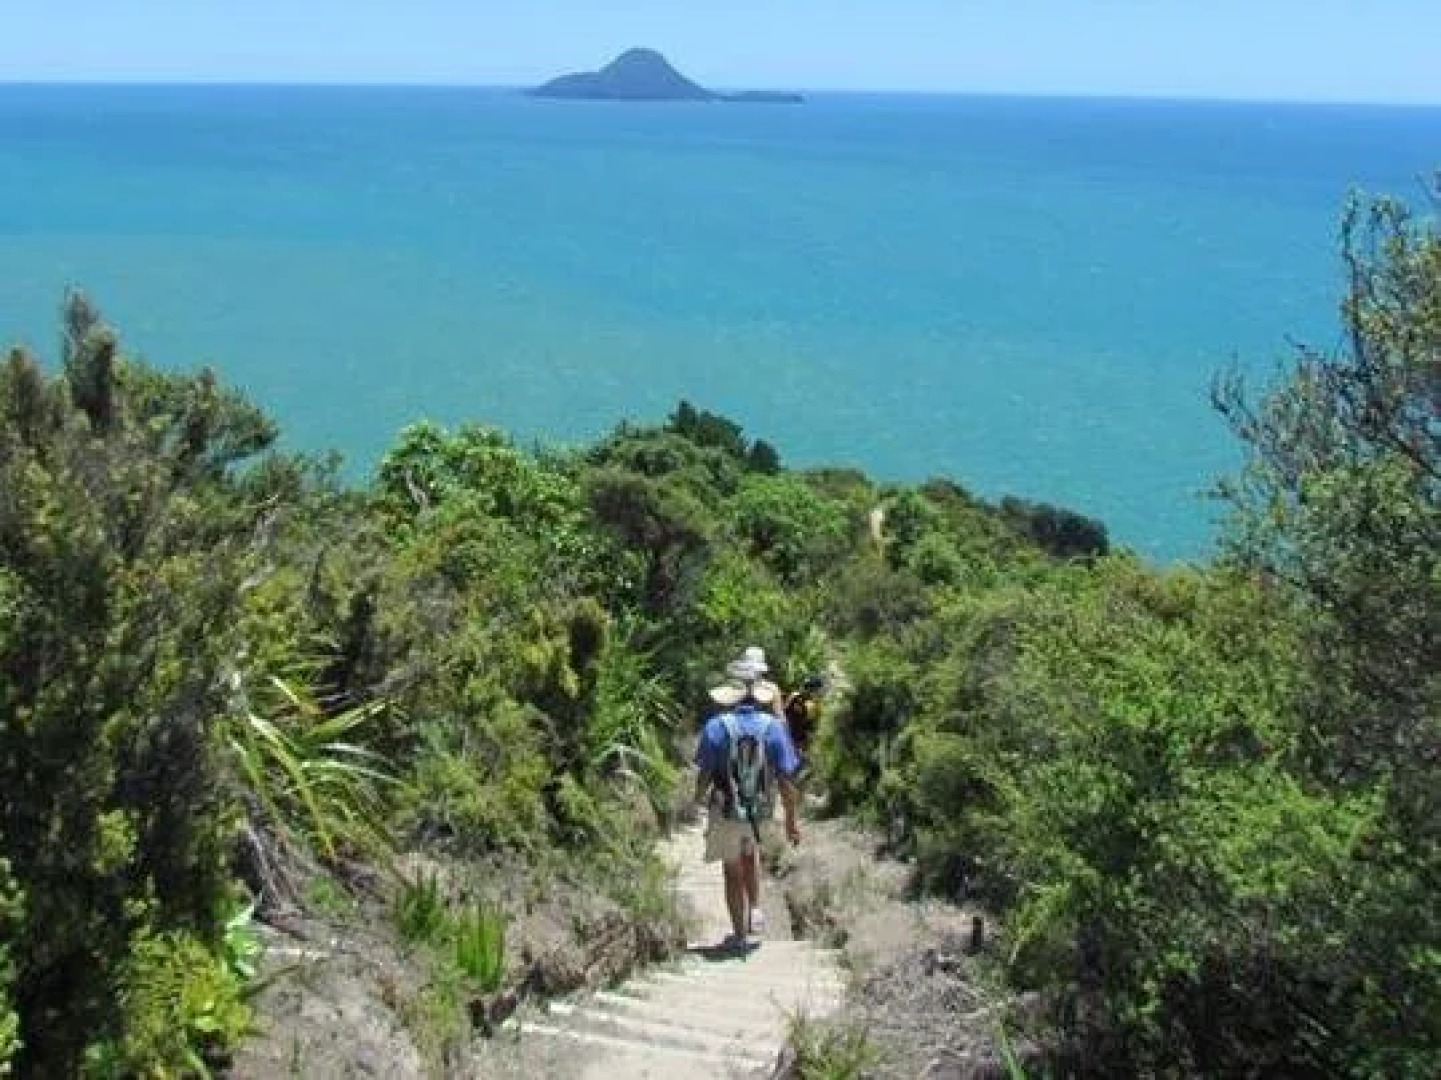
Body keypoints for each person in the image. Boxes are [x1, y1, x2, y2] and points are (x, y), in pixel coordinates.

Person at [693, 654, 801, 949]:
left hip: (726, 810)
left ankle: (739, 935)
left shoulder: (716, 726)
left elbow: (703, 774)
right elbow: (787, 781)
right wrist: (791, 820)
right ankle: (755, 910)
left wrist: (696, 802)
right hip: (761, 812)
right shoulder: (774, 727)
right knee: (750, 855)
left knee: (731, 871)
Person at [782, 674, 827, 760]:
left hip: (790, 732)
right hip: (797, 737)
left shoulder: (795, 696)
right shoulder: (814, 704)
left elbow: (785, 710)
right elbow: (812, 725)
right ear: (815, 689)